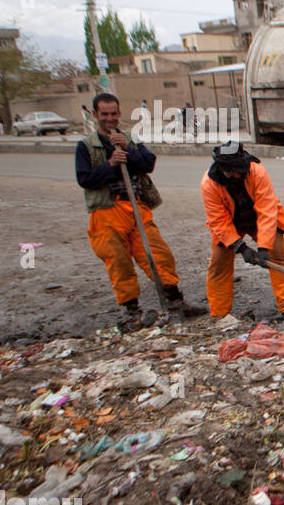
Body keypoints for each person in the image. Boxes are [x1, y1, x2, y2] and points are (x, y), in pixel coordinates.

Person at [75, 91, 203, 329]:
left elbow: (148, 163)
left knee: (158, 254)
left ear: (119, 113)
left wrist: (128, 151)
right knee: (119, 262)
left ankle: (175, 301)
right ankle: (132, 310)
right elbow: (85, 179)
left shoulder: (129, 139)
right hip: (107, 211)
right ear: (95, 115)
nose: (110, 118)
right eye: (105, 114)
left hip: (136, 206)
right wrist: (111, 164)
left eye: (114, 113)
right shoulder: (86, 146)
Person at [200, 142, 284, 322]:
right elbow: (218, 221)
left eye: (240, 170)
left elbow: (267, 210)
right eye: (232, 172)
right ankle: (220, 314)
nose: (237, 174)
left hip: (259, 219)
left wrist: (263, 247)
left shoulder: (256, 171)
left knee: (278, 256)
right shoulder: (209, 184)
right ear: (223, 169)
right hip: (230, 223)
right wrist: (241, 247)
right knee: (218, 264)